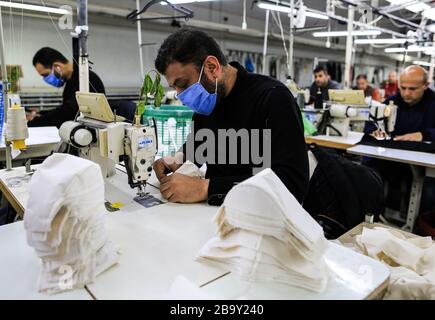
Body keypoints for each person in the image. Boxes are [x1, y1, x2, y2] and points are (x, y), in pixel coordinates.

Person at [153, 29, 309, 206]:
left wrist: (205, 188)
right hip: (214, 215)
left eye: (183, 84)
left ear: (212, 67)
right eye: (175, 87)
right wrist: (175, 160)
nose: (180, 95)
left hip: (262, 219)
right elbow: (198, 148)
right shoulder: (208, 102)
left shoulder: (272, 98)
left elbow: (291, 184)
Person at [364, 65, 435, 214]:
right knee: (367, 171)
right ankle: (372, 214)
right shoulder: (393, 101)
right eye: (402, 88)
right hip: (395, 159)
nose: (406, 93)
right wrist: (375, 131)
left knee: (429, 190)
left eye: (412, 89)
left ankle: (419, 227)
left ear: (425, 86)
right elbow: (371, 123)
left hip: (424, 163)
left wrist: (424, 135)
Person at [28, 47, 106, 128]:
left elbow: (69, 112)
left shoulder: (85, 79)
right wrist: (41, 114)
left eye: (45, 75)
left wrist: (33, 123)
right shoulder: (70, 82)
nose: (45, 79)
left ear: (57, 66)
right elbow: (65, 109)